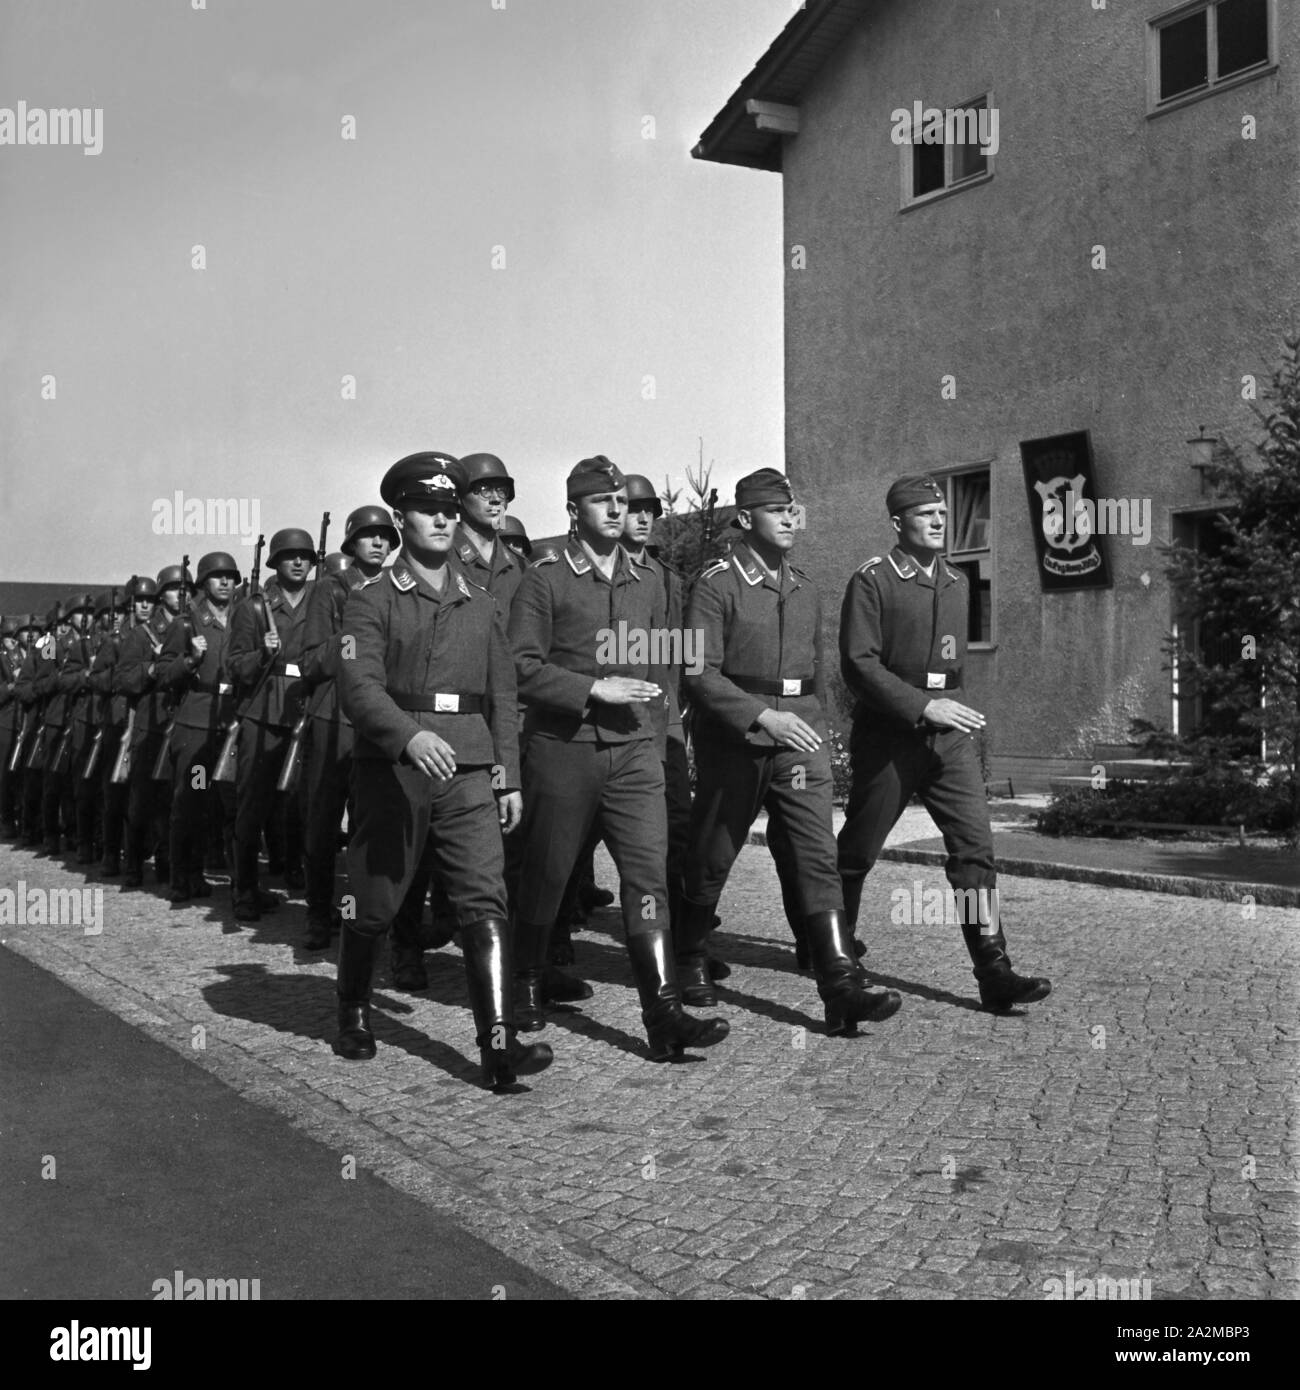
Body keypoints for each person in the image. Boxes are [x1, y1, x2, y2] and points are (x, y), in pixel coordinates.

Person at [335, 451, 551, 1091]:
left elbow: (503, 693)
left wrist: (508, 775)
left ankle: (498, 1046)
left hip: (469, 766)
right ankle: (352, 1008)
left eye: (449, 511)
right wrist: (408, 735)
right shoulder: (370, 599)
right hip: (394, 766)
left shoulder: (480, 602)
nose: (440, 521)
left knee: (484, 897)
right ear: (401, 518)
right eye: (427, 510)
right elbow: (357, 686)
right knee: (375, 900)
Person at [508, 454, 730, 1059]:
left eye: (621, 501)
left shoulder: (649, 579)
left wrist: (657, 744)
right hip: (565, 749)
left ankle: (664, 1014)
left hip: (635, 753)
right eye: (600, 501)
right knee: (550, 871)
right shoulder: (545, 577)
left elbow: (660, 667)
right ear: (573, 510)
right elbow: (519, 665)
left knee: (647, 876)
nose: (615, 510)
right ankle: (524, 982)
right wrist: (589, 689)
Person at [680, 469, 901, 1034]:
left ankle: (840, 984)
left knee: (815, 852)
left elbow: (818, 670)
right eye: (776, 510)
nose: (789, 519)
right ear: (745, 518)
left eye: (792, 510)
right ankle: (688, 954)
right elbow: (698, 672)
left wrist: (821, 728)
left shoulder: (805, 586)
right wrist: (761, 717)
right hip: (738, 738)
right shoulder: (715, 585)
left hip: (800, 735)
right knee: (714, 851)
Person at [837, 474, 1051, 1012]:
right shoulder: (873, 580)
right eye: (925, 514)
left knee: (975, 850)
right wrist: (920, 705)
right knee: (859, 851)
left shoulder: (957, 581)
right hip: (890, 736)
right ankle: (832, 949)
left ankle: (994, 971)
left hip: (950, 737)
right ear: (897, 522)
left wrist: (949, 708)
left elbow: (952, 665)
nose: (939, 521)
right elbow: (859, 664)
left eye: (942, 513)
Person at [300, 504, 397, 949]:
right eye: (368, 535)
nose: (378, 542)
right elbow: (310, 661)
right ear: (352, 543)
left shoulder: (397, 588)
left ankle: (359, 916)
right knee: (322, 822)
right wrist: (352, 636)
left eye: (385, 536)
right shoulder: (331, 589)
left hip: (379, 717)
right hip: (335, 716)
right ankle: (318, 914)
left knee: (369, 825)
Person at [225, 527, 315, 920]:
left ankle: (298, 874)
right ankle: (244, 889)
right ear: (275, 562)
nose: (298, 562)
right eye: (289, 556)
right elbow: (235, 665)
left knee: (301, 804)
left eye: (304, 556)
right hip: (262, 712)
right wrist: (263, 653)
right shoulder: (254, 608)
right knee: (252, 804)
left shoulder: (321, 601)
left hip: (305, 709)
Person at [156, 551, 241, 905]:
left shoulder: (242, 618)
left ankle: (235, 881)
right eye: (218, 577)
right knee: (192, 800)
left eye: (230, 577)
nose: (225, 582)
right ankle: (182, 876)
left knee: (227, 806)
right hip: (198, 724)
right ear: (204, 583)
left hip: (232, 721)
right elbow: (163, 673)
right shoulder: (187, 622)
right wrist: (190, 659)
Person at [116, 569, 181, 890]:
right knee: (142, 798)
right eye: (173, 589)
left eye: (185, 588)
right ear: (162, 596)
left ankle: (169, 863)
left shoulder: (192, 627)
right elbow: (123, 679)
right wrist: (152, 669)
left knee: (180, 796)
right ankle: (133, 863)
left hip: (182, 725)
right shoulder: (142, 635)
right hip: (150, 726)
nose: (180, 594)